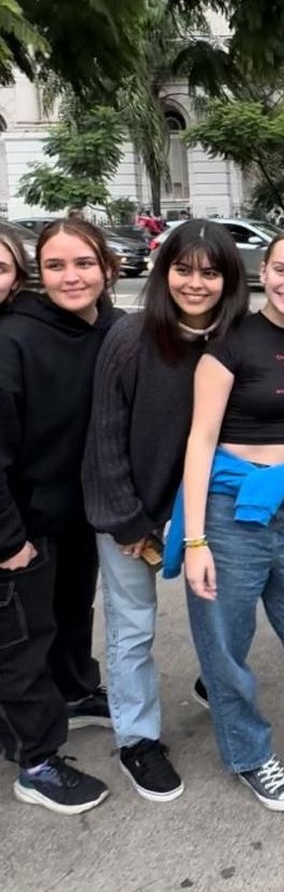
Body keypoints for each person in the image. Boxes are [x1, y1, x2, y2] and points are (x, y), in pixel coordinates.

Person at [173, 228, 284, 812]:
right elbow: (198, 443)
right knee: (225, 644)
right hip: (229, 511)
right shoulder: (230, 343)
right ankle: (250, 755)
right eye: (282, 270)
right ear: (263, 272)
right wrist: (196, 539)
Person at [83, 221, 248, 801]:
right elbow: (103, 438)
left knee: (229, 610)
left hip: (209, 512)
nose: (196, 283)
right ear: (164, 272)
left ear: (229, 279)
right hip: (134, 512)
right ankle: (138, 740)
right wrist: (126, 520)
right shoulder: (130, 339)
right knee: (132, 630)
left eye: (210, 272)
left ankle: (215, 682)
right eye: (183, 269)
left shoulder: (236, 340)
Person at [0, 219, 122, 813]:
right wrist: (7, 538)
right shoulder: (14, 339)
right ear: (37, 274)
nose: (71, 276)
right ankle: (36, 762)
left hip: (80, 513)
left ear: (107, 268)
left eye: (83, 263)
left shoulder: (113, 330)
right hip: (23, 525)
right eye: (55, 266)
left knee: (73, 614)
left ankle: (74, 693)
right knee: (23, 643)